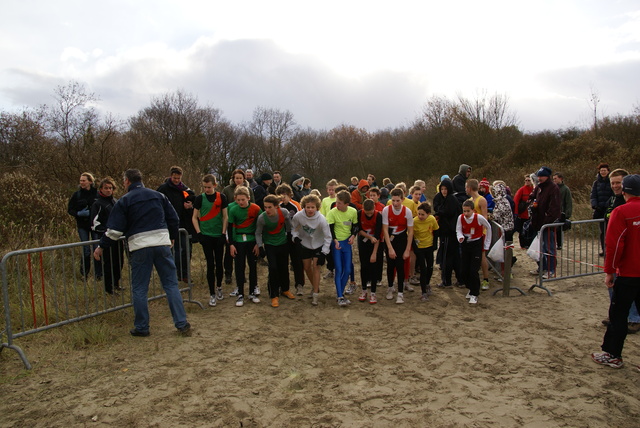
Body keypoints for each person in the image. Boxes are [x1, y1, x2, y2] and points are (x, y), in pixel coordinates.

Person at [94, 169, 190, 337]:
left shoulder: (124, 200)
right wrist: (172, 237)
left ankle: (142, 327)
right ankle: (181, 323)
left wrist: (101, 246)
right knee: (171, 285)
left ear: (126, 182)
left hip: (139, 246)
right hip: (161, 243)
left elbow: (114, 231)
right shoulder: (158, 196)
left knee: (139, 289)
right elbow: (173, 219)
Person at [591, 174, 640, 369]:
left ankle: (613, 354)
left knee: (618, 314)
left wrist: (609, 271)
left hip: (628, 273)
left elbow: (614, 244)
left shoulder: (621, 212)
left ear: (624, 190)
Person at [601, 169, 640, 334]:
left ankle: (632, 319)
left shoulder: (624, 208)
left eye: (619, 183)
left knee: (626, 289)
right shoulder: (613, 200)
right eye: (613, 183)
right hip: (615, 255)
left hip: (626, 261)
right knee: (614, 290)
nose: (616, 186)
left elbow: (618, 242)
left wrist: (610, 267)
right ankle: (616, 315)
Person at [192, 174, 228, 307]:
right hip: (206, 235)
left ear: (215, 185)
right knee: (210, 264)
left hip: (218, 235)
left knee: (219, 263)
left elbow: (225, 216)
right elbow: (194, 217)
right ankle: (212, 293)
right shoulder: (199, 198)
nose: (207, 189)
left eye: (209, 187)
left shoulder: (221, 197)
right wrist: (199, 233)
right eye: (205, 187)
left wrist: (224, 233)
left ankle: (219, 287)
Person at [157, 166, 196, 282]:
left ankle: (184, 274)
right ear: (171, 176)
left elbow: (193, 201)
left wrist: (190, 206)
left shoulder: (185, 190)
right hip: (169, 226)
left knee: (186, 251)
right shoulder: (163, 189)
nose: (176, 180)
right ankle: (172, 275)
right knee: (174, 252)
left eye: (178, 178)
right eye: (174, 178)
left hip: (184, 225)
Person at [291, 194, 331, 306]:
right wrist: (295, 238)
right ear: (304, 206)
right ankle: (314, 286)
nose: (310, 210)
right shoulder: (298, 216)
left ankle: (315, 294)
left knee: (316, 266)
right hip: (305, 244)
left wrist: (324, 252)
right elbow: (294, 228)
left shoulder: (322, 219)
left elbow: (328, 236)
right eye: (308, 207)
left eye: (312, 207)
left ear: (317, 207)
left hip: (319, 244)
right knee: (307, 267)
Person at [256, 194, 295, 308]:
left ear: (276, 206)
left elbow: (289, 227)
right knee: (273, 268)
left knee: (284, 266)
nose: (267, 210)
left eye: (269, 207)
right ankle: (274, 295)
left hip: (282, 243)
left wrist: (290, 238)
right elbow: (258, 233)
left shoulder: (283, 212)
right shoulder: (262, 218)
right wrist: (260, 247)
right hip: (270, 244)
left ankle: (285, 289)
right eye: (265, 207)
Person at [226, 186, 262, 307]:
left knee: (252, 266)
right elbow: (230, 228)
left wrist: (258, 243)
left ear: (248, 198)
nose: (241, 202)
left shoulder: (256, 209)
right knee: (239, 266)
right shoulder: (233, 210)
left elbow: (260, 227)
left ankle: (252, 292)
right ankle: (240, 293)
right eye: (238, 200)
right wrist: (231, 244)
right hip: (238, 241)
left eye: (243, 199)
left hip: (252, 240)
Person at [91, 177, 124, 295]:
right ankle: (108, 288)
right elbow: (94, 224)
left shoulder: (115, 201)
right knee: (108, 263)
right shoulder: (98, 203)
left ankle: (116, 284)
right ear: (101, 189)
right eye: (106, 188)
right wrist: (106, 232)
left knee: (119, 262)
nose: (108, 190)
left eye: (110, 188)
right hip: (106, 238)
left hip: (118, 237)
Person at [528, 166, 562, 278]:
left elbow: (555, 208)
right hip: (538, 222)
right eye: (539, 176)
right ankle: (542, 267)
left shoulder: (553, 188)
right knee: (541, 248)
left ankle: (551, 270)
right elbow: (533, 197)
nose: (540, 178)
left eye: (542, 176)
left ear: (547, 177)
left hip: (547, 224)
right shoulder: (539, 187)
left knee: (549, 248)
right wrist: (532, 202)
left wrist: (547, 221)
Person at [326, 190, 359, 306]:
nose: (337, 205)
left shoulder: (353, 212)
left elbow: (355, 226)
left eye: (339, 203)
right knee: (339, 269)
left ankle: (341, 292)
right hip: (337, 243)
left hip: (347, 243)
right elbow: (329, 228)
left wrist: (353, 236)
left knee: (348, 269)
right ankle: (340, 296)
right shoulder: (332, 212)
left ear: (346, 204)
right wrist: (334, 240)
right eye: (336, 202)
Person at [457, 200, 492, 304]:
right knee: (464, 270)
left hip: (477, 243)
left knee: (474, 270)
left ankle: (475, 293)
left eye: (468, 211)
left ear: (473, 210)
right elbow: (458, 229)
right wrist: (460, 237)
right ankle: (470, 288)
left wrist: (486, 244)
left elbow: (489, 228)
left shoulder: (479, 218)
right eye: (464, 211)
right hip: (465, 244)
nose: (466, 214)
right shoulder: (461, 218)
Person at [382, 188, 414, 304]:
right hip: (390, 239)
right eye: (393, 201)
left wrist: (407, 249)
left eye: (398, 201)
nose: (395, 203)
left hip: (401, 239)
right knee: (390, 265)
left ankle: (400, 293)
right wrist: (389, 248)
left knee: (400, 265)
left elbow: (410, 232)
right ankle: (390, 287)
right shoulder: (386, 210)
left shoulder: (407, 212)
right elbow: (385, 230)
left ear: (402, 199)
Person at [68, 172, 100, 279]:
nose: (81, 182)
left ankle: (98, 274)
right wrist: (78, 213)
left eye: (84, 180)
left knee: (97, 249)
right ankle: (84, 274)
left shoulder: (97, 193)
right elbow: (70, 209)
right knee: (86, 250)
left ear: (90, 182)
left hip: (95, 225)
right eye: (80, 180)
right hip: (82, 225)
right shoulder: (77, 195)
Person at [276, 183, 305, 295]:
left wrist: (295, 233)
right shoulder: (277, 205)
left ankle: (299, 285)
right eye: (280, 195)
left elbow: (301, 221)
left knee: (297, 261)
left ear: (289, 194)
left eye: (285, 194)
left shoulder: (296, 205)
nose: (283, 197)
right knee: (282, 262)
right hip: (281, 236)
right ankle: (283, 286)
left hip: (294, 236)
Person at [433, 179, 462, 287]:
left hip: (449, 232)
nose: (444, 191)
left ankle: (446, 281)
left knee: (447, 257)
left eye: (445, 189)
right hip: (451, 232)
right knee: (454, 257)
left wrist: (439, 212)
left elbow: (446, 212)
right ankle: (460, 279)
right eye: (442, 189)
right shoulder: (447, 199)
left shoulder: (451, 199)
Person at [466, 179, 490, 290]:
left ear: (470, 188)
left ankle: (486, 280)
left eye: (466, 187)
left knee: (482, 256)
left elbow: (485, 216)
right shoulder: (469, 200)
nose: (465, 189)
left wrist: (482, 230)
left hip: (481, 232)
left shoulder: (481, 200)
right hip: (471, 233)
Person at [357, 199, 383, 304]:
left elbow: (377, 235)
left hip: (375, 243)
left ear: (374, 208)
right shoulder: (359, 214)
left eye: (371, 212)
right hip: (364, 242)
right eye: (367, 213)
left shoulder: (378, 216)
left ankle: (373, 293)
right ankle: (364, 290)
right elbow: (358, 229)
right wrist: (369, 237)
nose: (369, 214)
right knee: (364, 267)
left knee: (374, 267)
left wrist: (374, 253)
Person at [413, 202, 439, 301]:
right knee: (423, 269)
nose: (420, 216)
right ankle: (423, 292)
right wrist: (414, 247)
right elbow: (411, 235)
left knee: (430, 267)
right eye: (419, 214)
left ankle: (427, 283)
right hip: (419, 247)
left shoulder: (432, 219)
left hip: (429, 246)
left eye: (422, 214)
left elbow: (436, 231)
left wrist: (435, 244)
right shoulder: (415, 221)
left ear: (428, 214)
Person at [591, 163, 614, 256]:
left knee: (610, 231)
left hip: (609, 209)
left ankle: (610, 249)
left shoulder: (611, 181)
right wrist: (595, 205)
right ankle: (604, 249)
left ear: (608, 171)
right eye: (601, 170)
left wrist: (607, 205)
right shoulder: (596, 183)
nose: (603, 172)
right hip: (599, 210)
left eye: (604, 170)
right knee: (602, 232)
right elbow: (593, 195)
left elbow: (613, 195)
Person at [320, 179, 339, 279]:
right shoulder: (325, 200)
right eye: (330, 190)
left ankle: (338, 269)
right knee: (328, 249)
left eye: (333, 189)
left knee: (336, 248)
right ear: (327, 190)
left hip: (337, 226)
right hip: (327, 226)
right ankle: (330, 269)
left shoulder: (338, 200)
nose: (331, 191)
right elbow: (322, 213)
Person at [513, 174, 535, 248]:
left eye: (529, 180)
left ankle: (530, 244)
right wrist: (516, 212)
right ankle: (523, 244)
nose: (527, 182)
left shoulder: (534, 189)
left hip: (531, 214)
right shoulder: (521, 190)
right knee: (522, 230)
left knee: (531, 230)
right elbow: (516, 201)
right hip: (523, 214)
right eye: (526, 180)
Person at [552, 172, 573, 250]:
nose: (554, 180)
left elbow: (568, 202)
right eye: (553, 179)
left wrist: (567, 214)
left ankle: (559, 244)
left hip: (561, 212)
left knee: (559, 230)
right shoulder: (553, 188)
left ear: (560, 178)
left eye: (555, 178)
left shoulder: (565, 189)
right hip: (553, 212)